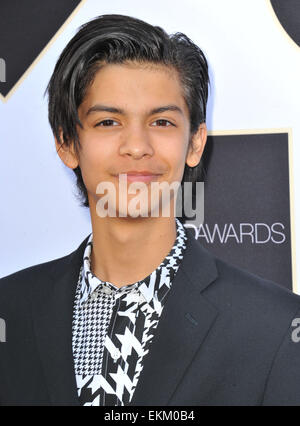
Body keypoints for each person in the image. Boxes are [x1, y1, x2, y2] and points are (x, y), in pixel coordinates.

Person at [1, 14, 300, 407]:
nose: (137, 145)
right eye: (108, 121)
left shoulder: (275, 328)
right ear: (67, 143)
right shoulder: (11, 309)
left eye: (161, 121)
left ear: (194, 144)